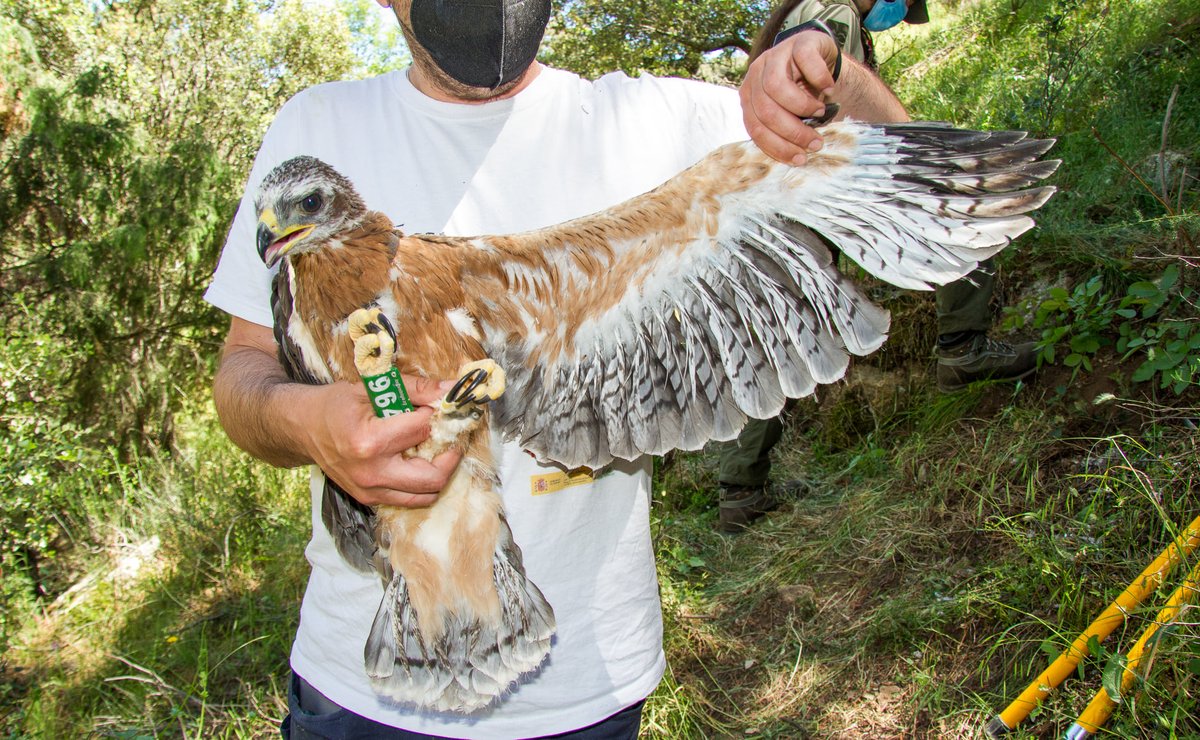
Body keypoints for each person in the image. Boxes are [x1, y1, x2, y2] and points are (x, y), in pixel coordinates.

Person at [206, 1, 906, 736]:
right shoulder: (316, 129)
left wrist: (823, 64)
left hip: (584, 688)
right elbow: (244, 371)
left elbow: (897, 158)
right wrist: (306, 422)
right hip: (357, 693)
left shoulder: (645, 122)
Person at [713, 0, 1038, 534]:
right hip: (812, 191)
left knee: (779, 339)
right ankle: (964, 348)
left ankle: (740, 492)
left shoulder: (820, 12)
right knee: (957, 199)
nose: (901, 10)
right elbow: (830, 102)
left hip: (789, 198)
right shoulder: (830, 12)